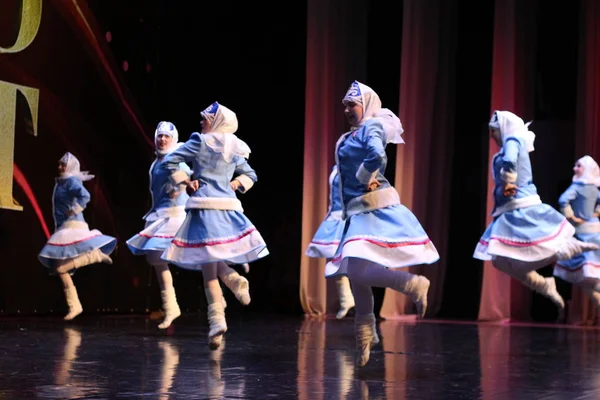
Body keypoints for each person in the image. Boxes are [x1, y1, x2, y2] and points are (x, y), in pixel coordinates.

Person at [326, 81, 439, 367]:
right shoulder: (348, 136)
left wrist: (365, 176)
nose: (347, 109)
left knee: (355, 269)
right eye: (345, 105)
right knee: (355, 273)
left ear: (366, 105)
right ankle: (365, 336)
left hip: (374, 205)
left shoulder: (371, 127)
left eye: (352, 104)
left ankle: (413, 285)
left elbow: (377, 155)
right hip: (356, 210)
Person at [161, 102, 268, 349]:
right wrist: (235, 184)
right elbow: (251, 175)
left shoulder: (200, 141)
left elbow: (170, 161)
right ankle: (231, 283)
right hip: (227, 209)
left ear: (217, 122)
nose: (201, 122)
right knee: (210, 261)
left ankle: (217, 319)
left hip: (206, 208)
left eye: (205, 118)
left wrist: (186, 181)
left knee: (208, 267)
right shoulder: (234, 146)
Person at [473, 111, 600, 311]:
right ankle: (543, 283)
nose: (492, 136)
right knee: (499, 260)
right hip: (508, 211)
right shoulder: (511, 144)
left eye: (493, 131)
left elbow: (510, 161)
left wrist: (508, 181)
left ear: (504, 128)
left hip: (522, 208)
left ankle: (575, 248)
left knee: (537, 249)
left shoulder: (513, 141)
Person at [126, 121, 191, 329]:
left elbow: (186, 174)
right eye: (160, 136)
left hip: (176, 215)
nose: (162, 139)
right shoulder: (155, 163)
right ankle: (171, 307)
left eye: (167, 136)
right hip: (161, 215)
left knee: (197, 254)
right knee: (155, 258)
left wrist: (180, 188)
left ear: (174, 139)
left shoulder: (175, 159)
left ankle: (229, 275)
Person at [38, 152, 116, 320]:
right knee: (59, 269)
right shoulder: (61, 182)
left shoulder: (71, 180)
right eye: (59, 164)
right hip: (63, 227)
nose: (59, 167)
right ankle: (75, 306)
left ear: (71, 167)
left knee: (60, 268)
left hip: (72, 225)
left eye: (63, 165)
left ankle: (93, 255)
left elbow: (85, 196)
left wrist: (75, 210)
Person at [305, 165, 355, 319]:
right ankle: (346, 299)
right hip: (335, 217)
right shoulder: (337, 168)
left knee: (356, 262)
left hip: (350, 218)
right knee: (335, 261)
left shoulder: (356, 168)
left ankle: (353, 301)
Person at [553, 155, 600, 307]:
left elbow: (562, 200)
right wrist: (595, 214)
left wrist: (571, 217)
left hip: (583, 232)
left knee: (586, 276)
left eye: (578, 166)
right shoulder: (593, 187)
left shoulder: (578, 187)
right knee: (589, 277)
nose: (575, 169)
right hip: (594, 229)